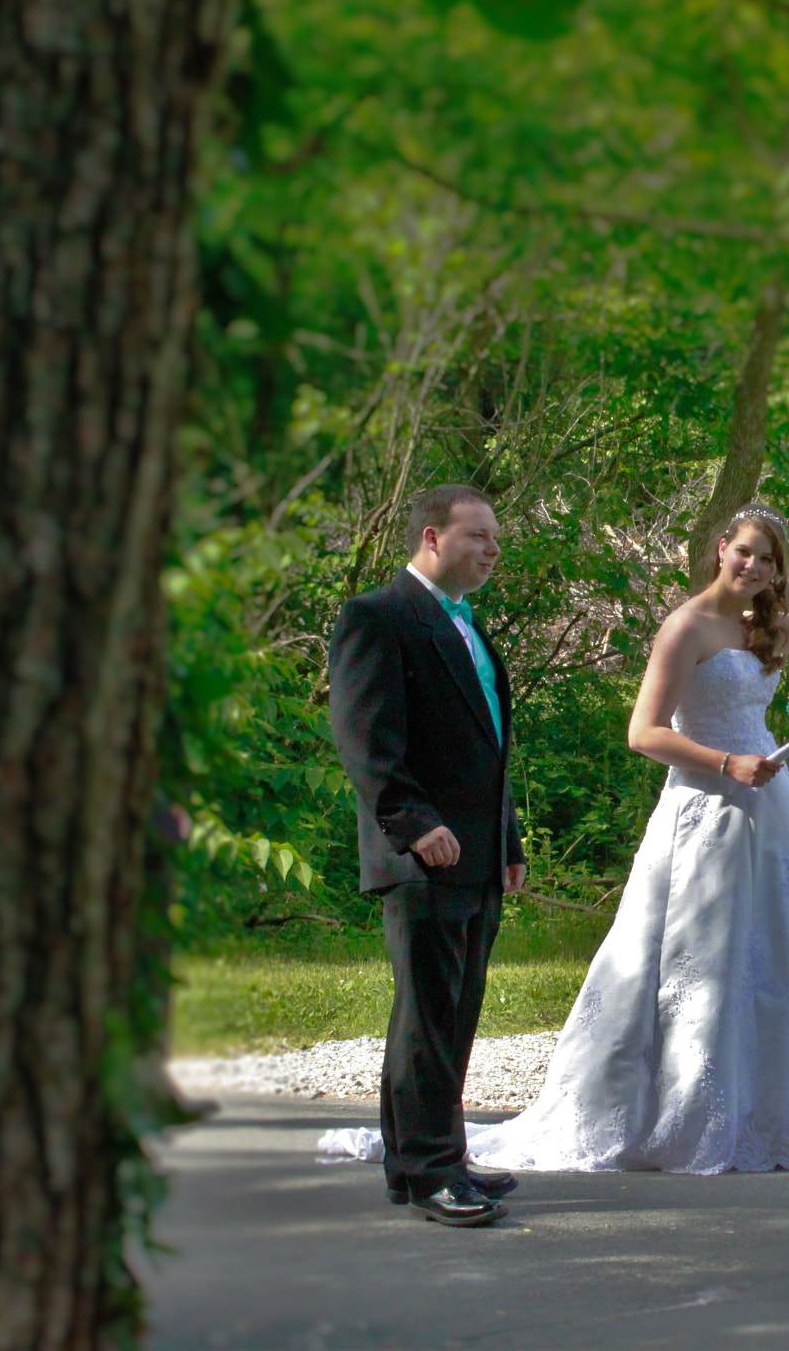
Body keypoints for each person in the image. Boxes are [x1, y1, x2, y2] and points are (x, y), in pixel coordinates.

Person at [466, 505, 789, 1173]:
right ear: (719, 548)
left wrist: (780, 588)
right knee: (699, 957)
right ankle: (681, 1110)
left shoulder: (761, 630)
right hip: (707, 805)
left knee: (785, 952)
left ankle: (773, 1113)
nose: (752, 565)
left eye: (767, 557)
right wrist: (725, 762)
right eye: (744, 552)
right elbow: (643, 732)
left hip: (772, 809)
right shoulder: (685, 628)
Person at [329, 484, 529, 1226]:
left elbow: (488, 750)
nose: (492, 550)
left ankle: (441, 1155)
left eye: (495, 539)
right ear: (430, 537)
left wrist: (507, 840)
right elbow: (365, 739)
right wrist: (412, 823)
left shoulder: (470, 628)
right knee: (426, 1014)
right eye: (478, 536)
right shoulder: (377, 618)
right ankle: (425, 1172)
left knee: (455, 1011)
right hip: (422, 856)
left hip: (477, 856)